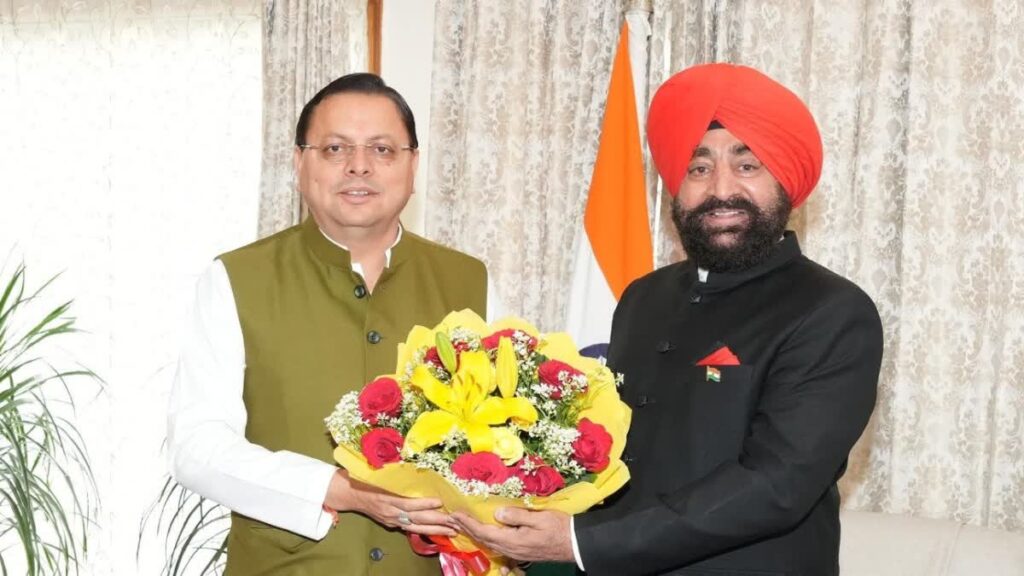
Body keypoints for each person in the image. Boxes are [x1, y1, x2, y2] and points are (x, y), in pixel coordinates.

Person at [453, 63, 884, 576]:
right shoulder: (644, 297)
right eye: (698, 168)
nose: (721, 188)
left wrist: (580, 542)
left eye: (747, 165)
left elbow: (776, 485)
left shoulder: (832, 311)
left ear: (785, 181)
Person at [168, 73, 489, 575]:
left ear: (413, 165)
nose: (359, 165)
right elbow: (197, 447)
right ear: (300, 163)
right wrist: (337, 489)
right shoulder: (236, 278)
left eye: (382, 149)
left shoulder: (470, 281)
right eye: (336, 148)